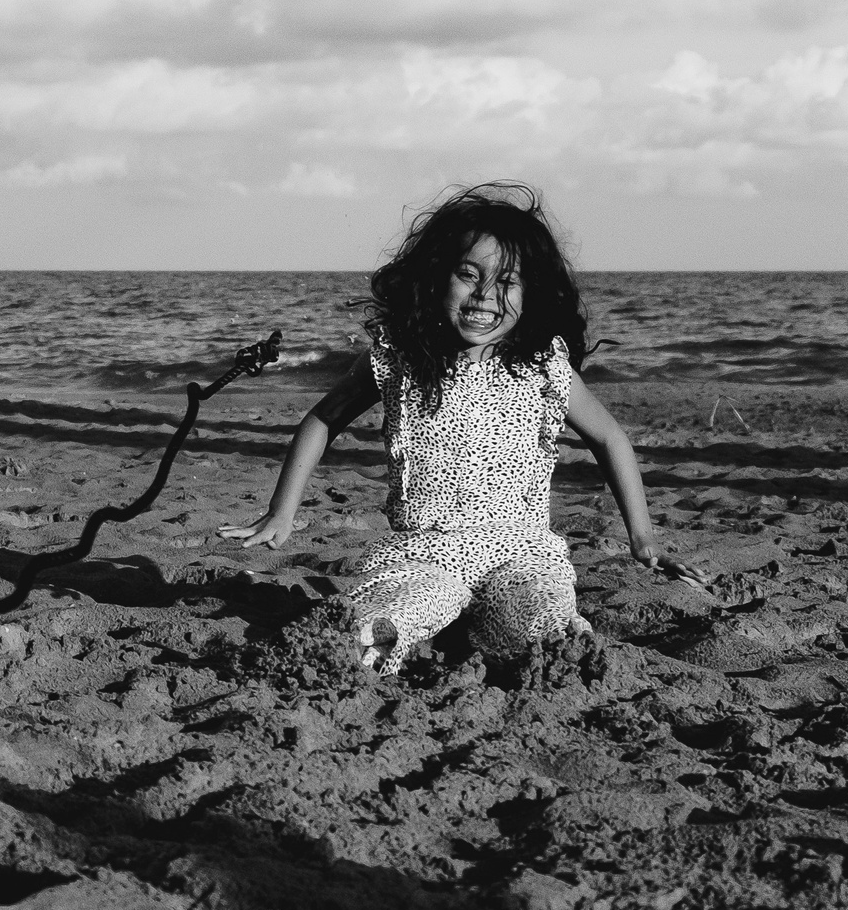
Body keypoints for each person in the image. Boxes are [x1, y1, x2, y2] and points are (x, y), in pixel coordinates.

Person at [222, 183, 682, 670]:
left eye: (508, 282)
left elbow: (609, 438)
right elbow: (323, 418)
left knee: (542, 625)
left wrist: (643, 538)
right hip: (422, 552)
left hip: (521, 552)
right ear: (436, 276)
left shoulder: (544, 365)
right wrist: (281, 512)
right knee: (387, 620)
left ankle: (535, 646)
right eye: (468, 275)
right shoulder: (399, 357)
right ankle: (339, 660)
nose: (485, 295)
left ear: (531, 293)